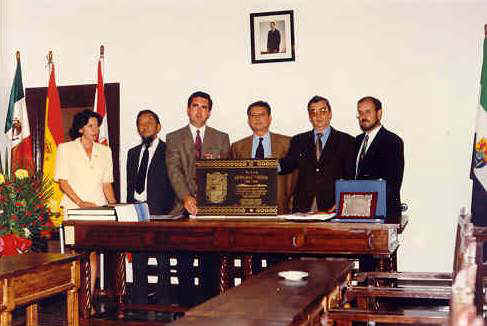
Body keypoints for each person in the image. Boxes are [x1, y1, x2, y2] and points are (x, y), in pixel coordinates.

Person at [54, 109, 116, 305]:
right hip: (73, 209)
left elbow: (107, 184)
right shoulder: (65, 149)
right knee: (74, 255)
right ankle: (73, 302)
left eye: (97, 125)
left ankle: (87, 302)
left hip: (97, 212)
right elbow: (62, 181)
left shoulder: (105, 151)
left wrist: (116, 208)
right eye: (90, 126)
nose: (95, 129)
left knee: (93, 255)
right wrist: (80, 203)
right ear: (80, 129)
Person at [126, 109, 177, 305]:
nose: (144, 126)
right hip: (137, 213)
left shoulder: (169, 151)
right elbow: (130, 186)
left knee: (163, 260)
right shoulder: (132, 153)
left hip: (162, 214)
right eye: (140, 123)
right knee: (139, 260)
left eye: (149, 122)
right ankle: (139, 301)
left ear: (158, 127)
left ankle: (164, 300)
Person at [279, 96, 355, 212]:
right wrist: (265, 165)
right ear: (309, 117)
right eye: (313, 112)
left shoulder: (347, 141)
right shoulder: (298, 140)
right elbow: (288, 164)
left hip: (333, 207)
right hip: (303, 207)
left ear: (330, 114)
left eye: (322, 111)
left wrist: (342, 202)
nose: (318, 116)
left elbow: (350, 177)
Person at [166, 91, 230, 216]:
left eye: (204, 107)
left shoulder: (222, 138)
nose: (199, 111)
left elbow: (225, 173)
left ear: (209, 113)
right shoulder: (173, 138)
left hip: (214, 205)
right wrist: (186, 197)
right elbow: (174, 171)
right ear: (188, 110)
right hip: (183, 206)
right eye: (195, 106)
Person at [230, 101, 295, 214]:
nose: (257, 118)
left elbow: (295, 177)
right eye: (253, 115)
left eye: (262, 115)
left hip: (280, 208)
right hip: (246, 210)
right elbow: (231, 180)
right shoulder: (237, 147)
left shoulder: (288, 143)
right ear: (248, 120)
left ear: (269, 118)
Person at [354, 96, 404, 219]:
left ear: (379, 113)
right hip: (357, 213)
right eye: (360, 113)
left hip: (383, 215)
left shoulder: (392, 141)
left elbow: (392, 183)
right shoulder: (356, 141)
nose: (363, 116)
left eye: (367, 112)